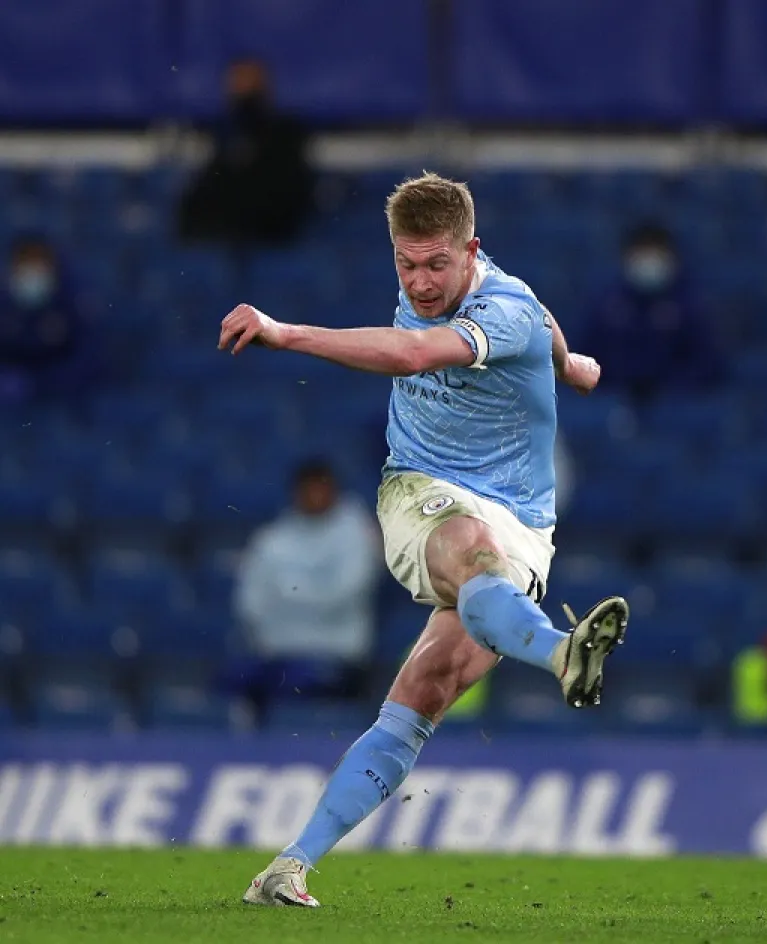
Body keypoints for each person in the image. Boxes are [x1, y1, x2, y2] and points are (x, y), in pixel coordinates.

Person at [217, 172, 627, 907]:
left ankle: (287, 867)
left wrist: (284, 332)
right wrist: (571, 364)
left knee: (421, 697)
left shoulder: (502, 308)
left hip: (526, 528)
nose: (421, 282)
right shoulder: (469, 286)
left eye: (437, 264)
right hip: (421, 491)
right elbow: (538, 315)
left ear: (473, 252)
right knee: (471, 552)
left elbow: (421, 352)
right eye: (406, 265)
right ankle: (564, 654)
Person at [228, 460, 382, 721]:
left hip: (339, 659)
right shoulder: (272, 539)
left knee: (302, 685)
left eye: (320, 488)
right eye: (307, 489)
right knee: (232, 679)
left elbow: (343, 596)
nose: (314, 496)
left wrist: (286, 599)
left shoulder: (357, 534)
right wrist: (309, 598)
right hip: (277, 657)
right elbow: (250, 604)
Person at [576, 223, 722, 404]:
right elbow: (585, 359)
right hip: (615, 401)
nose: (648, 260)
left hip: (676, 403)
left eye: (655, 251)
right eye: (642, 251)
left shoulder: (690, 306)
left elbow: (706, 363)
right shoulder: (607, 305)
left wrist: (668, 391)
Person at [178, 58, 315, 247]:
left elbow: (289, 192)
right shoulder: (220, 134)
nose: (241, 88)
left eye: (249, 81)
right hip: (221, 234)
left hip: (269, 233)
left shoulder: (286, 132)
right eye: (237, 81)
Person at [0, 236, 95, 405]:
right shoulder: (4, 307)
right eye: (25, 265)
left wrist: (40, 385)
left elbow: (86, 357)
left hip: (60, 400)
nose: (31, 275)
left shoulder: (70, 306)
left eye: (38, 267)